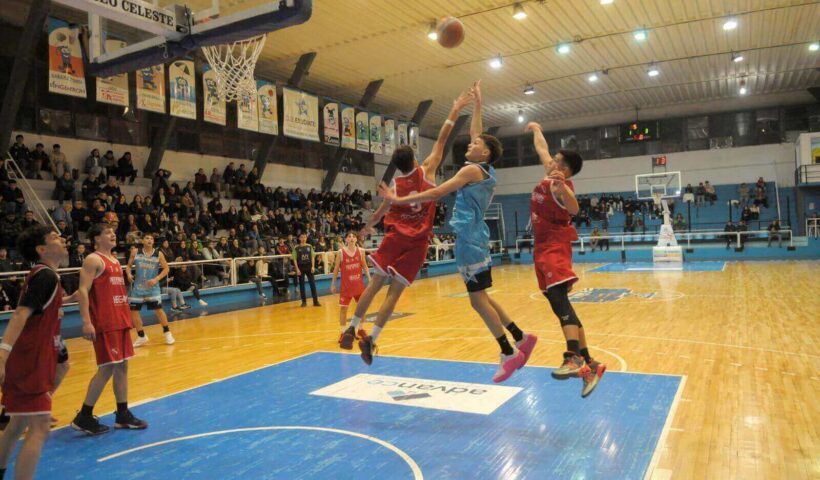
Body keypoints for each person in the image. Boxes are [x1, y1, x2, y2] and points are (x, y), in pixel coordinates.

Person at [377, 81, 536, 383]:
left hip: (469, 241)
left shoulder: (470, 171)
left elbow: (435, 193)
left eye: (476, 145)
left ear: (485, 152)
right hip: (477, 236)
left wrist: (398, 199)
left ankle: (508, 352)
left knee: (477, 301)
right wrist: (478, 103)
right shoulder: (486, 168)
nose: (470, 145)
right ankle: (521, 337)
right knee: (482, 296)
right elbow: (478, 132)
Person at [338, 89, 474, 358]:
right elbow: (442, 139)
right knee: (394, 294)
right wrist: (455, 110)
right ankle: (372, 339)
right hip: (417, 243)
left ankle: (352, 327)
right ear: (414, 159)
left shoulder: (395, 187)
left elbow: (379, 213)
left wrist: (368, 226)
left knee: (375, 284)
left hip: (394, 238)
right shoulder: (428, 170)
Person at [525, 122, 606, 397]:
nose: (551, 162)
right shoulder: (550, 175)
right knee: (559, 303)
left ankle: (573, 357)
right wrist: (536, 129)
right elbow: (541, 149)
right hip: (541, 248)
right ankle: (590, 365)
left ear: (566, 169)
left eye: (557, 161)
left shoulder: (562, 186)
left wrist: (563, 187)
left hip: (555, 246)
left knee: (559, 299)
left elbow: (574, 208)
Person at [0, 226, 68, 480]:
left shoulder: (46, 276)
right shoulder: (45, 276)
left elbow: (39, 314)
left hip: (31, 358)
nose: (62, 239)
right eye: (55, 238)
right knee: (39, 427)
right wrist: (2, 354)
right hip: (30, 361)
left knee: (16, 425)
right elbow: (20, 314)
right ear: (42, 249)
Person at [71, 224, 147, 435]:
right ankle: (84, 416)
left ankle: (122, 414)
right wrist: (86, 322)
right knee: (107, 368)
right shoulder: (93, 260)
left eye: (114, 232)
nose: (113, 234)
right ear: (96, 238)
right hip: (106, 322)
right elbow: (83, 291)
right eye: (107, 232)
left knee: (122, 367)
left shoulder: (114, 260)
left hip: (120, 320)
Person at [126, 234, 174, 347]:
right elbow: (128, 266)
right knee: (134, 312)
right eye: (147, 238)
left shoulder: (159, 254)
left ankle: (167, 333)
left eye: (151, 239)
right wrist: (128, 274)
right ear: (142, 240)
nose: (150, 240)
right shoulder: (135, 252)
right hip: (138, 288)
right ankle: (141, 336)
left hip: (152, 288)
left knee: (158, 310)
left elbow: (166, 269)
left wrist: (156, 279)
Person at [330, 232, 371, 343]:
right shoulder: (341, 252)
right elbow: (336, 269)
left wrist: (369, 279)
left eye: (353, 236)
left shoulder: (361, 251)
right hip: (346, 287)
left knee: (362, 308)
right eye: (349, 236)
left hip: (358, 285)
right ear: (346, 240)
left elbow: (365, 266)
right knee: (343, 309)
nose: (352, 238)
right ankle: (343, 333)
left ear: (356, 239)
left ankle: (360, 330)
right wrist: (333, 283)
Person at [292, 233, 320, 307]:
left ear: (306, 238)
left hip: (309, 266)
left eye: (305, 237)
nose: (303, 238)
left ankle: (315, 301)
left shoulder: (309, 246)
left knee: (312, 284)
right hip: (301, 267)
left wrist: (313, 266)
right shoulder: (296, 247)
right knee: (302, 285)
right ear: (299, 238)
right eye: (302, 237)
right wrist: (297, 269)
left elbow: (312, 257)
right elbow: (294, 259)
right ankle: (304, 302)